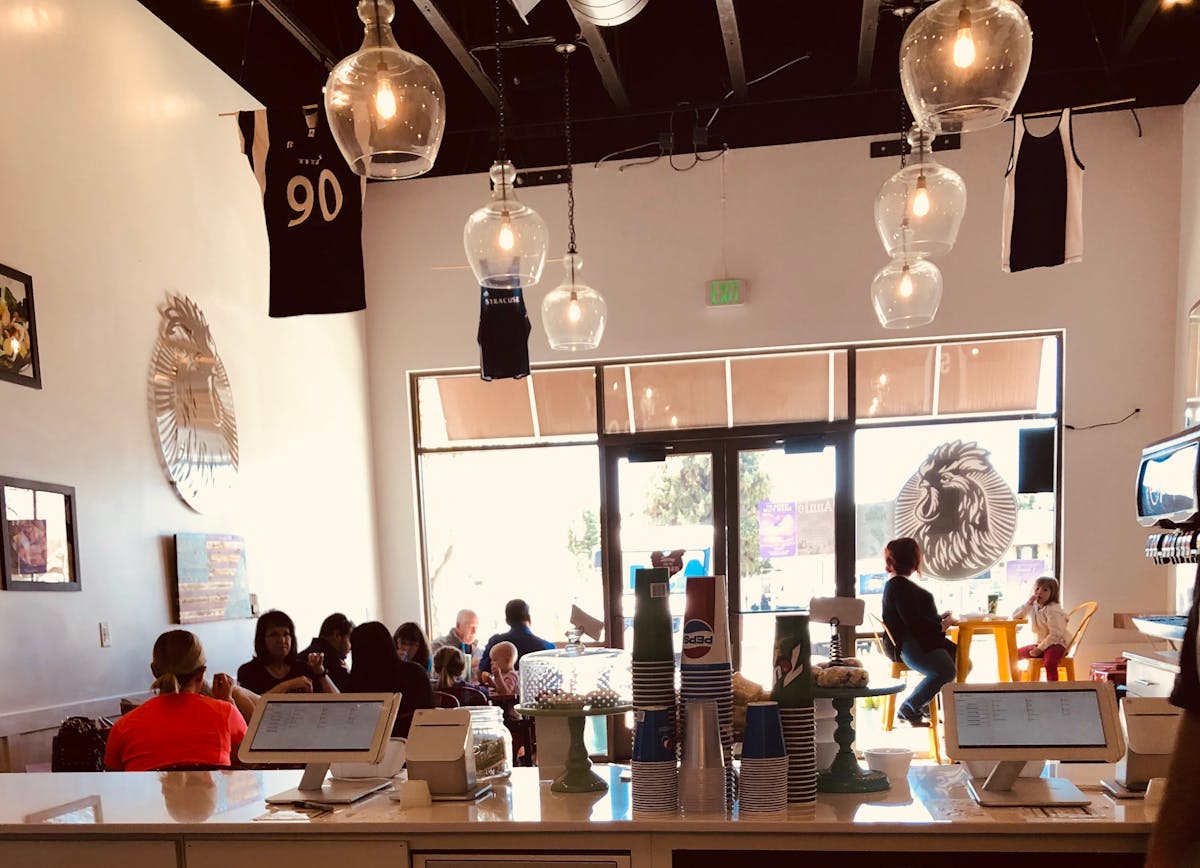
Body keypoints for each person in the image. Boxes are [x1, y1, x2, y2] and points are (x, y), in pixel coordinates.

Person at [105, 630, 247, 771]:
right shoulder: (226, 713)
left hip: (149, 794)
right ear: (201, 673)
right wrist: (228, 702)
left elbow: (111, 782)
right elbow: (249, 764)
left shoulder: (122, 727)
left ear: (154, 671)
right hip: (205, 794)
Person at [880, 537, 957, 728]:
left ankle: (923, 703)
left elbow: (913, 619)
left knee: (962, 660)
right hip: (910, 646)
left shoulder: (898, 585)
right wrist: (941, 626)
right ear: (914, 560)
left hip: (910, 643)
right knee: (947, 671)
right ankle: (910, 707)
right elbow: (914, 623)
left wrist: (938, 620)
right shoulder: (900, 586)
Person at [347, 621, 435, 738]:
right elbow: (430, 714)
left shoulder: (355, 685)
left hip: (369, 748)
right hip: (415, 744)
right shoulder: (416, 673)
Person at [237, 610, 336, 695]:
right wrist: (289, 685)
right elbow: (253, 706)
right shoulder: (248, 671)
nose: (282, 640)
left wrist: (320, 672)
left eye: (286, 634)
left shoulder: (303, 668)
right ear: (262, 640)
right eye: (274, 635)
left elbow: (339, 703)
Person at [1011, 576, 1070, 682]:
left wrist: (1040, 649)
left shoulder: (1053, 610)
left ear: (1052, 594)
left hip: (1058, 644)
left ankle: (1053, 688)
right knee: (1014, 654)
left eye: (1045, 590)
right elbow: (1016, 615)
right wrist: (1028, 604)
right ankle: (1018, 682)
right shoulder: (1034, 606)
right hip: (1042, 643)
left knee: (1049, 662)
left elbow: (1056, 635)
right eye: (1037, 589)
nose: (1040, 592)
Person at [479, 599, 554, 674]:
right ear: (529, 618)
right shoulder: (547, 647)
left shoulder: (495, 642)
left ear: (507, 620)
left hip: (497, 685)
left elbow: (482, 672)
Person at [298, 612, 354, 691]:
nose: (351, 647)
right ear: (337, 635)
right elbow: (347, 697)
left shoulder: (302, 655)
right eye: (350, 639)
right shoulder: (333, 660)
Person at [431, 608, 483, 676]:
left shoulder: (478, 651)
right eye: (471, 627)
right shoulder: (438, 646)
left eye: (476, 627)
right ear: (458, 626)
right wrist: (469, 665)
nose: (474, 632)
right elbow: (435, 674)